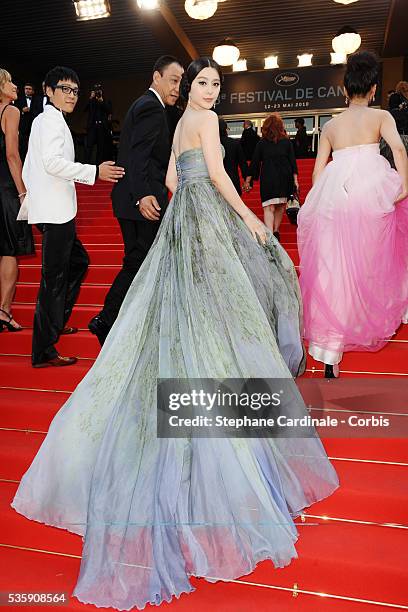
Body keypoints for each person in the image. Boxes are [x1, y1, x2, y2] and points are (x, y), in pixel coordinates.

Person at [12, 57, 338, 611]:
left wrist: (189, 198)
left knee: (181, 321)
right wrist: (250, 219)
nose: (211, 92)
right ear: (192, 85)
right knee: (222, 321)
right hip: (208, 221)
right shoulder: (206, 122)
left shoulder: (179, 118)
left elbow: (169, 179)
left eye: (217, 85)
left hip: (181, 224)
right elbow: (215, 175)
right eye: (205, 83)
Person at [297, 51, 408, 378]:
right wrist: (404, 184)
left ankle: (329, 353)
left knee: (334, 270)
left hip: (335, 193)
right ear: (373, 89)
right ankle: (370, 317)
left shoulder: (330, 126)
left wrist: (319, 203)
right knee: (373, 262)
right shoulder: (381, 117)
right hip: (371, 189)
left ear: (345, 91)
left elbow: (318, 172)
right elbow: (399, 150)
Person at [21, 66, 125, 367]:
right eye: (64, 89)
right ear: (48, 90)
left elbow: (33, 165)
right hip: (54, 212)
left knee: (78, 263)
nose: (71, 95)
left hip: (54, 209)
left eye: (75, 91)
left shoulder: (50, 120)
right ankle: (43, 350)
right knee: (53, 280)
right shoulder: (48, 121)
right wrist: (93, 171)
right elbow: (52, 163)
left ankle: (54, 322)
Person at [88, 55, 184, 345]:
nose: (177, 87)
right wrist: (143, 195)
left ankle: (118, 320)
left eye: (180, 82)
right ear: (157, 77)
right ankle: (106, 319)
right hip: (142, 200)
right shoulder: (151, 108)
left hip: (133, 199)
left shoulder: (146, 105)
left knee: (138, 262)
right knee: (137, 262)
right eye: (173, 80)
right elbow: (138, 156)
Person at [0, 69, 34, 331]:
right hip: (6, 190)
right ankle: (4, 311)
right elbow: (12, 155)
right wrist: (23, 192)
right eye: (9, 81)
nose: (15, 85)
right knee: (9, 251)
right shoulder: (10, 111)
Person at [244, 113, 299, 241]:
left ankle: (270, 235)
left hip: (268, 177)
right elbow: (292, 162)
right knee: (280, 205)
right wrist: (295, 180)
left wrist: (248, 180)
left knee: (269, 207)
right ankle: (276, 230)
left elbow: (254, 162)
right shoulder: (286, 142)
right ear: (280, 127)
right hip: (284, 178)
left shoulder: (262, 143)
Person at [84, 83, 113, 165]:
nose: (97, 92)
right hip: (92, 127)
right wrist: (90, 98)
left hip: (102, 128)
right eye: (96, 90)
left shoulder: (106, 100)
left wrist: (101, 101)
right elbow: (85, 109)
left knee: (101, 148)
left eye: (99, 90)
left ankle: (99, 165)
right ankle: (86, 164)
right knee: (89, 147)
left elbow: (109, 111)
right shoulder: (91, 101)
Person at [218, 118, 248, 194]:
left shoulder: (211, 145)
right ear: (226, 129)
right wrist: (246, 180)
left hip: (216, 184)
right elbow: (243, 163)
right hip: (232, 181)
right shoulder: (234, 143)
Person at [15, 82, 35, 160]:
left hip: (32, 126)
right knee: (21, 146)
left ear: (33, 91)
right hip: (22, 127)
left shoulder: (37, 100)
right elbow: (15, 109)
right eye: (26, 89)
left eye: (29, 89)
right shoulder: (19, 99)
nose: (27, 90)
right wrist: (22, 110)